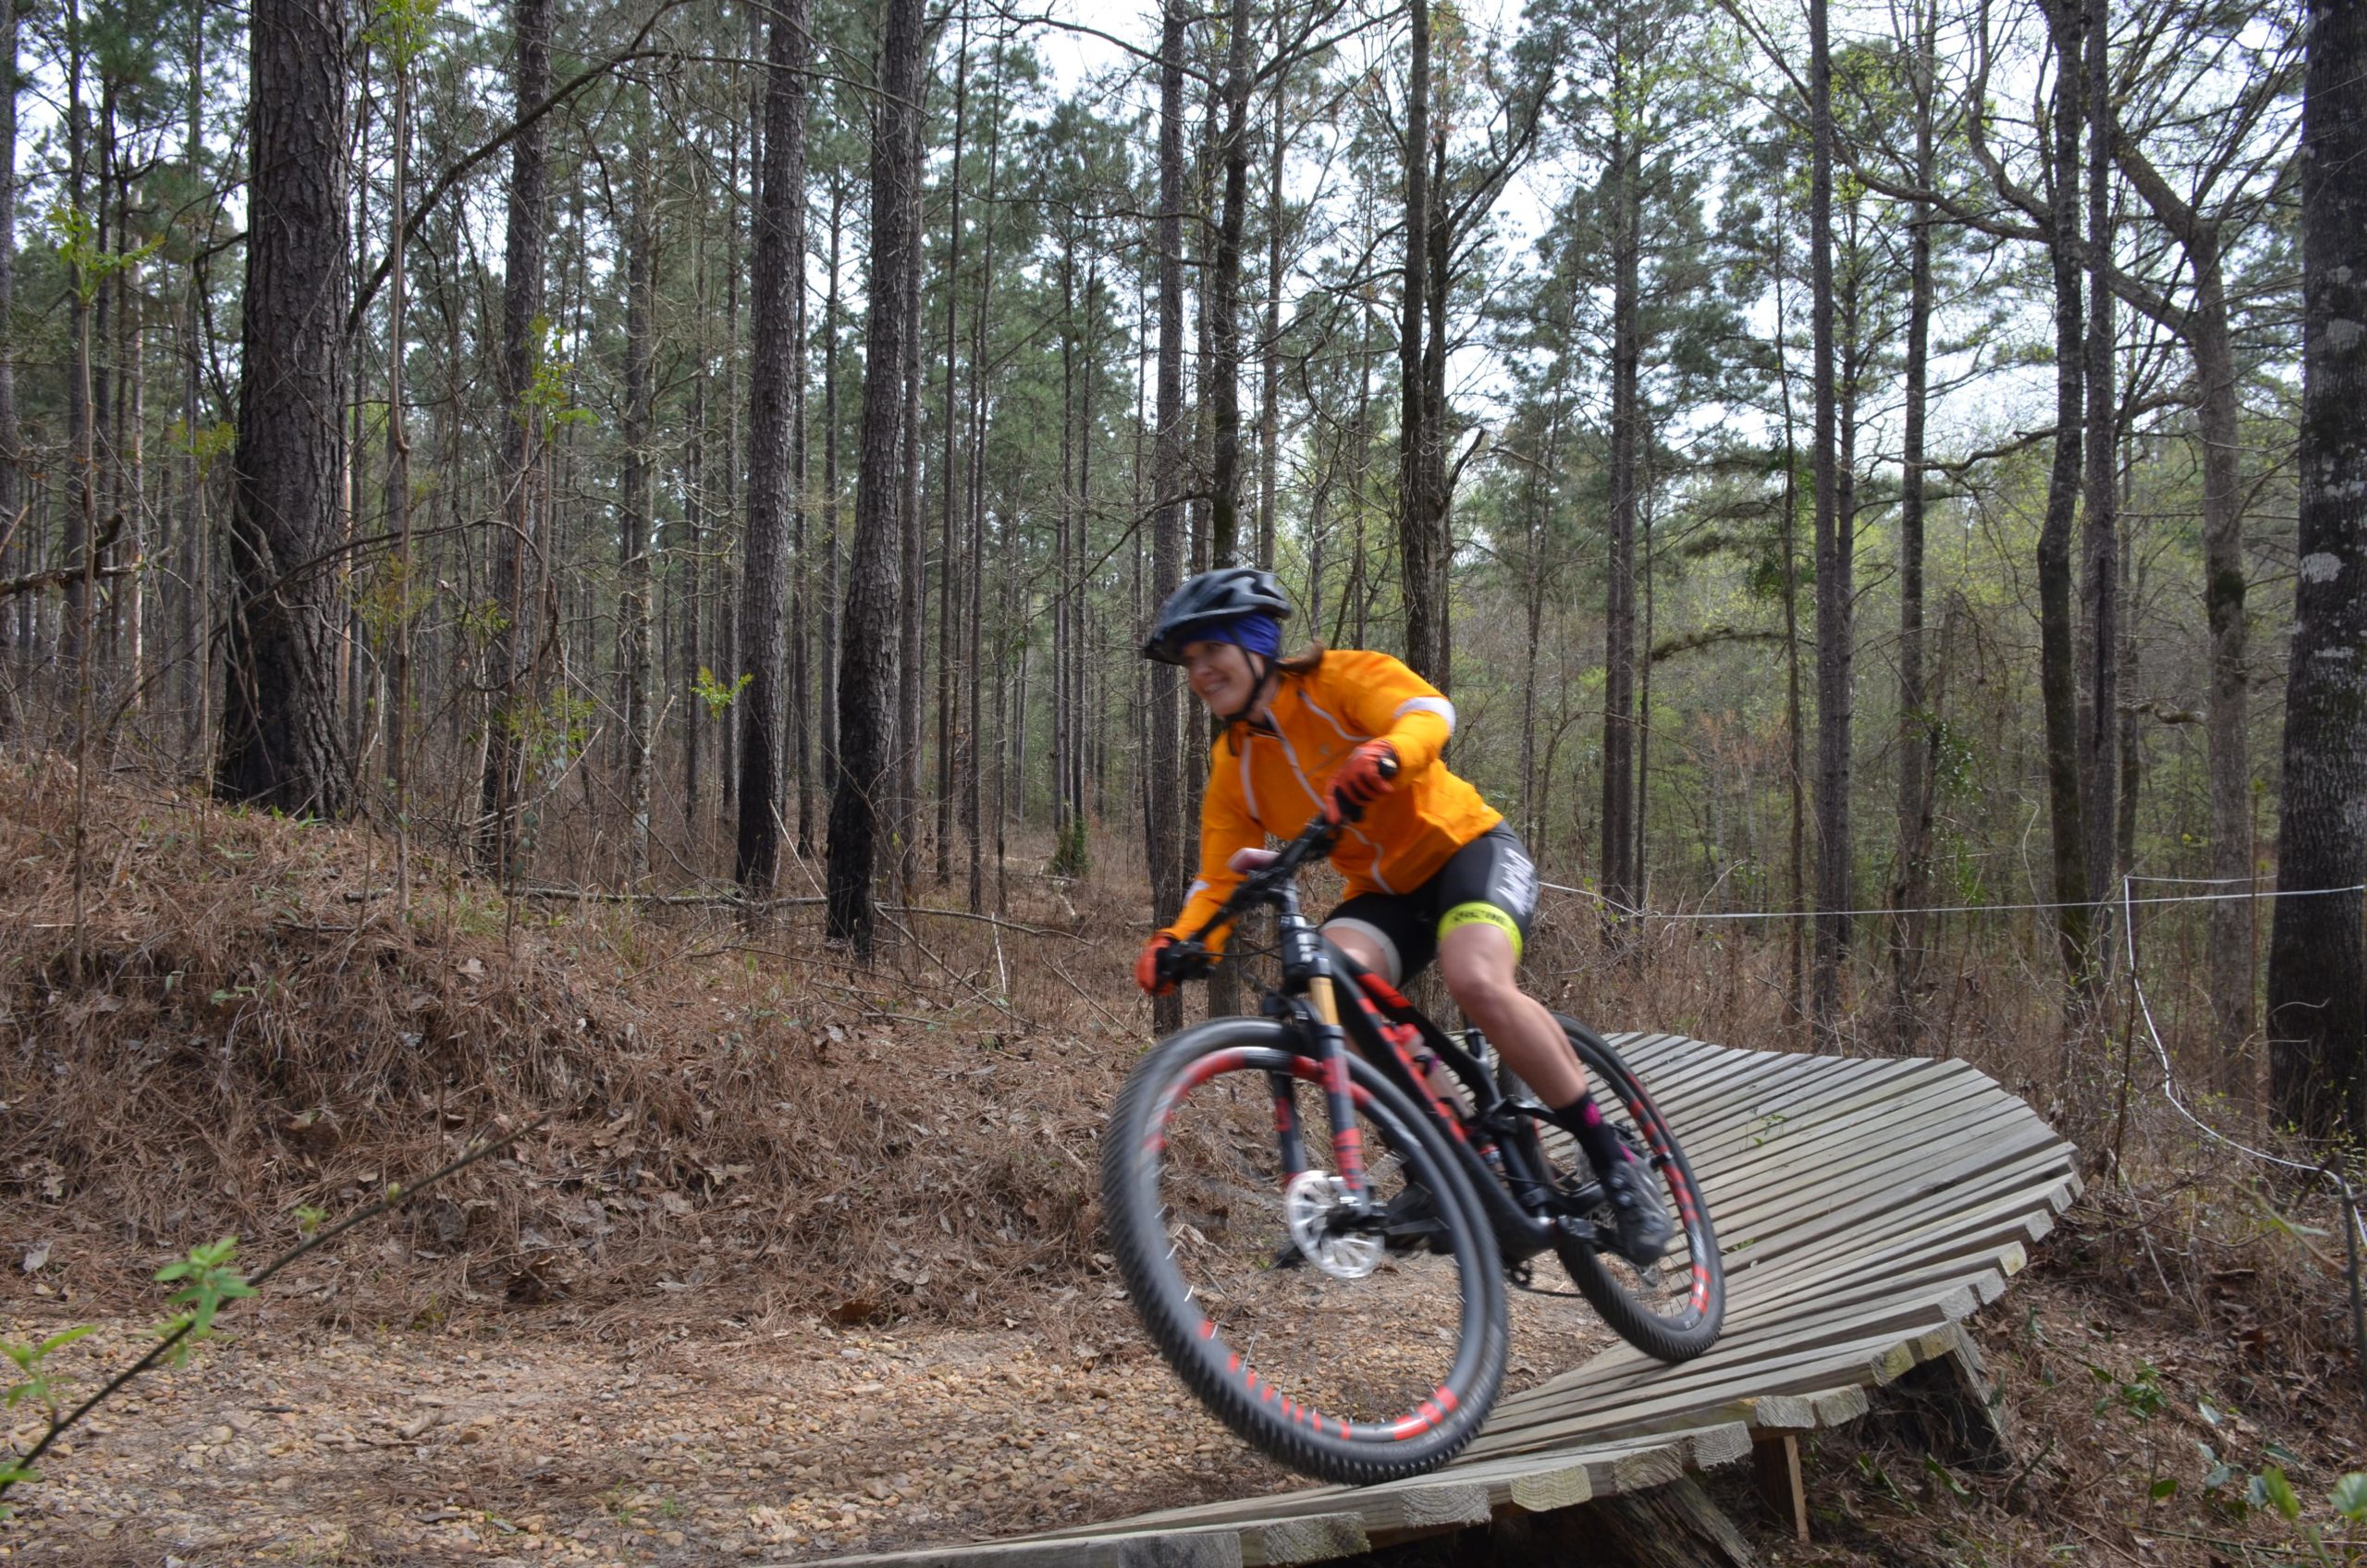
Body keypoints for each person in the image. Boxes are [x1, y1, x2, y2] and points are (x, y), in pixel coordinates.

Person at [1132, 566, 1672, 1265]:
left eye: (1212, 651)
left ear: (1256, 640)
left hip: (1468, 851)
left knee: (1476, 980)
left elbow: (1428, 713)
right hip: (1384, 895)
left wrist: (1387, 752)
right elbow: (1215, 875)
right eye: (1189, 661)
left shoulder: (1337, 680)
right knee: (1330, 989)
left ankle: (1614, 1162)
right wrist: (1183, 938)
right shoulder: (1234, 764)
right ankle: (1443, 1157)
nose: (1200, 672)